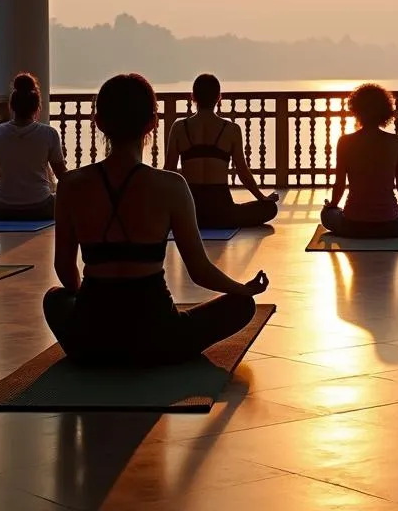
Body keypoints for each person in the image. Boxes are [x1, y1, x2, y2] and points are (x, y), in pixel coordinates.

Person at [44, 73, 269, 366]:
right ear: (153, 123)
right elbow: (199, 271)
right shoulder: (171, 186)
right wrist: (242, 289)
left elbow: (64, 267)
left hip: (92, 337)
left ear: (98, 122)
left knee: (54, 298)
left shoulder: (71, 185)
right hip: (160, 337)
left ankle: (98, 343)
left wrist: (88, 308)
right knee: (242, 306)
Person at [163, 74, 279, 229]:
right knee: (270, 208)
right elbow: (242, 171)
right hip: (223, 212)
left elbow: (168, 171)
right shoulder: (231, 129)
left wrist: (163, 207)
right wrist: (262, 198)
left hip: (190, 212)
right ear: (219, 98)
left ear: (193, 98)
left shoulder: (179, 128)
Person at [321, 83, 398, 239]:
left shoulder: (345, 142)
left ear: (356, 110)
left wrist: (332, 205)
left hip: (353, 224)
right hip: (390, 225)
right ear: (385, 111)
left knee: (326, 214)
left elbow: (339, 183)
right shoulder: (396, 142)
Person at [0, 73, 66, 221]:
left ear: (11, 106)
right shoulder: (49, 133)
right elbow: (62, 175)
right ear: (37, 106)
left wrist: (3, 184)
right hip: (42, 207)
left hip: (4, 209)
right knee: (62, 198)